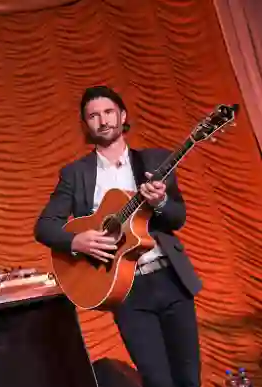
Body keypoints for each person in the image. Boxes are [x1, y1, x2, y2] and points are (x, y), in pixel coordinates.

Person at [34, 85, 203, 387]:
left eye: (109, 112)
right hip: (126, 289)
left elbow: (177, 218)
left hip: (171, 280)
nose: (103, 120)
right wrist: (76, 241)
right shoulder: (76, 174)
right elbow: (44, 226)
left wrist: (160, 203)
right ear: (86, 124)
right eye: (93, 116)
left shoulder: (154, 162)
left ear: (122, 115)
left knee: (189, 379)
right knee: (158, 381)